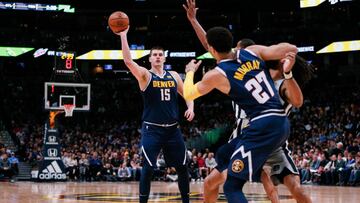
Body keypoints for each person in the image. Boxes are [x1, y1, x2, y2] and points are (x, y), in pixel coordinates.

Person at [183, 1, 313, 202]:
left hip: (261, 130)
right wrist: (193, 20)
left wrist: (190, 73)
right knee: (215, 175)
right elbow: (291, 48)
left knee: (233, 187)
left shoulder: (221, 74)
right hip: (256, 131)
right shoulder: (253, 55)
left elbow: (189, 93)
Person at [117, 27, 195, 203]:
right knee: (148, 168)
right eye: (155, 55)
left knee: (183, 167)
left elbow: (189, 94)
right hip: (152, 129)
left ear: (164, 58)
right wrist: (123, 36)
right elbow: (129, 62)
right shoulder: (145, 76)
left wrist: (191, 107)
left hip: (173, 130)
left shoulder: (174, 76)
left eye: (161, 54)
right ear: (150, 58)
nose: (158, 57)